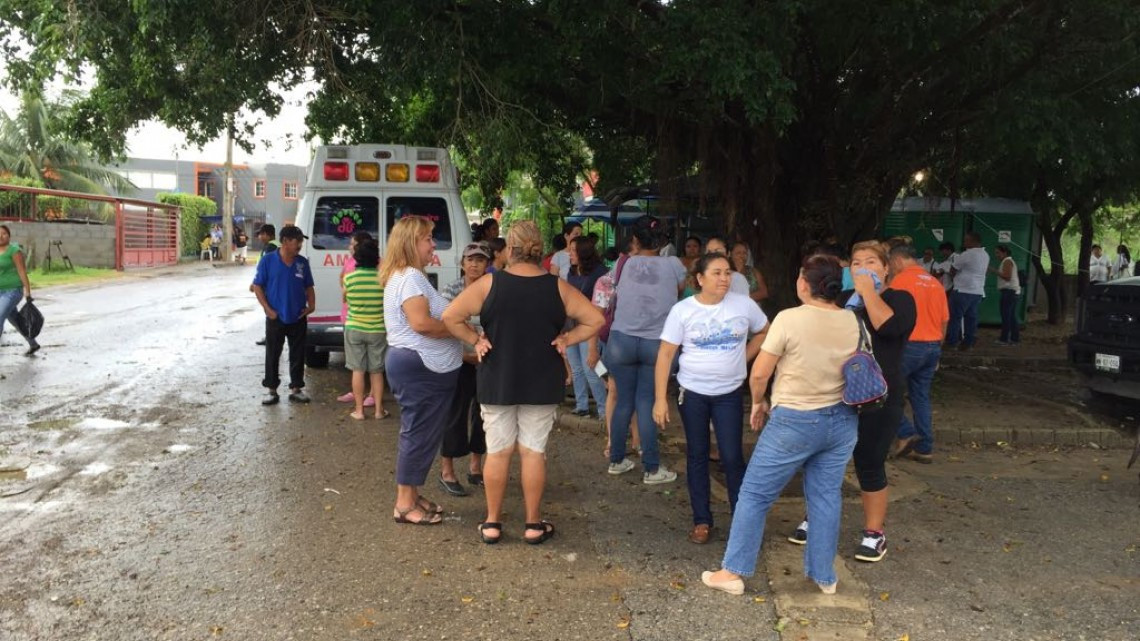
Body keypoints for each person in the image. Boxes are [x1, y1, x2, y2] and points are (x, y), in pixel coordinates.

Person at [702, 254, 859, 597]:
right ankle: (824, 575)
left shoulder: (789, 319)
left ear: (805, 284)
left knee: (755, 494)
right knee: (825, 497)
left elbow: (760, 372)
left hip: (795, 420)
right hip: (842, 421)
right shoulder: (853, 321)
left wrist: (758, 401)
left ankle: (733, 571)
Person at [442, 221, 603, 544]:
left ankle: (491, 523)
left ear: (508, 250)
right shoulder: (557, 286)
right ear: (539, 249)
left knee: (498, 452)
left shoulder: (489, 284)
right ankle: (532, 524)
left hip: (497, 376)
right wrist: (567, 338)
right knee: (533, 453)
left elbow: (450, 316)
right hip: (542, 379)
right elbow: (596, 319)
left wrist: (475, 339)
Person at [787, 241, 916, 563]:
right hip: (837, 392)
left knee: (869, 462)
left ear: (887, 268)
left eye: (871, 262)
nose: (862, 268)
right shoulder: (842, 301)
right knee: (823, 459)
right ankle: (815, 517)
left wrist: (868, 291)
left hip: (879, 395)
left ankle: (874, 534)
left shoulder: (900, 299)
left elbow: (889, 326)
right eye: (856, 263)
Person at [653, 252, 768, 545]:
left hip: (729, 393)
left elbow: (765, 331)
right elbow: (666, 354)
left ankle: (743, 521)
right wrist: (659, 399)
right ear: (699, 279)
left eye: (728, 273)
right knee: (697, 455)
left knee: (732, 457)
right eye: (716, 273)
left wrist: (745, 358)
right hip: (692, 393)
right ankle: (702, 520)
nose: (724, 279)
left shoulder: (743, 305)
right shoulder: (683, 310)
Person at [381, 216, 464, 526]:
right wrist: (460, 331)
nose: (433, 245)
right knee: (417, 432)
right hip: (421, 368)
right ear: (411, 243)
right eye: (428, 239)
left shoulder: (405, 277)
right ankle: (404, 503)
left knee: (422, 432)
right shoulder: (411, 278)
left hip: (420, 366)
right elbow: (421, 324)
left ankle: (412, 495)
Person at [603, 216, 686, 484]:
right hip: (656, 344)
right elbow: (679, 289)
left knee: (624, 401)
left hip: (621, 341)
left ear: (635, 240)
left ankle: (616, 459)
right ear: (663, 240)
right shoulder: (674, 264)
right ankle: (651, 469)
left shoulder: (623, 263)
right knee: (646, 403)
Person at [436, 242, 492, 497]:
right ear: (462, 264)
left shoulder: (494, 289)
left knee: (483, 414)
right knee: (454, 414)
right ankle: (446, 471)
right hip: (457, 359)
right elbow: (445, 324)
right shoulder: (450, 290)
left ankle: (475, 467)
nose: (474, 264)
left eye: (480, 260)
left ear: (486, 264)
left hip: (485, 361)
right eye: (470, 260)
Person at [891, 244, 950, 465]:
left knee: (883, 391)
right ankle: (925, 449)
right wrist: (938, 350)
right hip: (932, 346)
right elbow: (945, 321)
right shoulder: (935, 283)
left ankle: (906, 433)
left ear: (897, 261)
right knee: (921, 397)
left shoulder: (899, 282)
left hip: (908, 345)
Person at [251, 225, 315, 405]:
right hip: (275, 317)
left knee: (297, 353)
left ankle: (296, 388)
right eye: (298, 241)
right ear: (285, 241)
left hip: (298, 316)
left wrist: (312, 305)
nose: (300, 245)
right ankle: (272, 390)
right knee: (273, 353)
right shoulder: (268, 261)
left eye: (301, 242)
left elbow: (309, 286)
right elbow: (257, 286)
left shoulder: (302, 263)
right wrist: (267, 309)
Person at [341, 238, 390, 419]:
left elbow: (345, 299)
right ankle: (378, 411)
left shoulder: (349, 278)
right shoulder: (383, 280)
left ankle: (360, 411)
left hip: (354, 328)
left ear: (357, 257)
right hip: (377, 329)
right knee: (376, 371)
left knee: (358, 370)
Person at [566, 237, 610, 418]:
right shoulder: (572, 271)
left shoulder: (600, 274)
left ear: (583, 253)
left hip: (589, 329)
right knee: (576, 368)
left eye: (574, 251)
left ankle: (604, 409)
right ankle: (581, 405)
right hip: (571, 326)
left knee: (591, 368)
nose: (570, 254)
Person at [337, 231, 378, 408]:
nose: (349, 247)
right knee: (358, 363)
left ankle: (371, 395)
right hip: (351, 316)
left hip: (367, 319)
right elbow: (341, 277)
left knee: (371, 365)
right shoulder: (350, 261)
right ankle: (357, 393)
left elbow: (345, 284)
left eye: (352, 244)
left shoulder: (375, 262)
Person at [0, 225, 40, 356]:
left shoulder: (14, 250)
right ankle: (33, 344)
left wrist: (27, 291)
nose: (1, 236)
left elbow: (22, 271)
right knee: (16, 320)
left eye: (4, 233)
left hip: (12, 291)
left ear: (9, 236)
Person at [946, 231, 987, 351]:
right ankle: (968, 343)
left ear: (973, 241)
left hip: (962, 290)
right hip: (977, 291)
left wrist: (955, 278)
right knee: (971, 318)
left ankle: (952, 342)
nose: (964, 242)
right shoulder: (985, 255)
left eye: (966, 240)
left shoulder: (966, 254)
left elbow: (953, 269)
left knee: (955, 317)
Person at [253, 223, 280, 347]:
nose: (259, 237)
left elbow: (265, 267)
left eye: (260, 234)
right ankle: (272, 336)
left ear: (266, 235)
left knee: (269, 310)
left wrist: (257, 282)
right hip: (272, 284)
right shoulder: (275, 245)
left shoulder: (270, 247)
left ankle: (271, 337)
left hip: (269, 285)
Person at [991, 245, 1021, 346]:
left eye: (998, 253)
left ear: (1004, 253)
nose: (997, 255)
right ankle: (1014, 339)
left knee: (1006, 317)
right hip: (1012, 292)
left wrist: (994, 271)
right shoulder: (1008, 261)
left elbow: (1007, 277)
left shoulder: (1007, 261)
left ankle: (1004, 339)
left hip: (1009, 292)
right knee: (1011, 317)